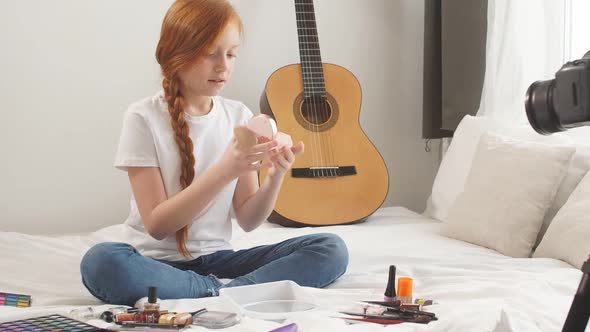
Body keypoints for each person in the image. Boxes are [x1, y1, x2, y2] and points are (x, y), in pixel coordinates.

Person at [80, 0, 348, 306]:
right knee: (101, 261)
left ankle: (216, 291)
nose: (224, 66)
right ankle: (233, 292)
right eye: (211, 54)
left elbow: (248, 219)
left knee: (330, 247)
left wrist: (275, 175)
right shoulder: (142, 117)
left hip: (221, 262)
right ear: (177, 55)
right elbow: (157, 225)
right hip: (156, 264)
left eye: (231, 54)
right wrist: (225, 170)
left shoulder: (238, 115)